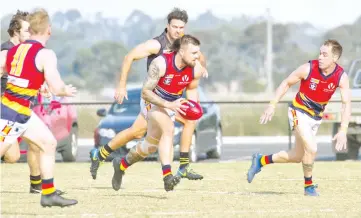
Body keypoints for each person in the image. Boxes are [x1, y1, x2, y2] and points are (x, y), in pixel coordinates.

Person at [90, 8, 207, 181]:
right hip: (153, 98)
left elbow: (198, 62)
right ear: (167, 26)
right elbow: (129, 57)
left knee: (189, 120)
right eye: (175, 27)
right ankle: (100, 155)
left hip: (172, 100)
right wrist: (121, 85)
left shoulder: (185, 46)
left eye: (181, 27)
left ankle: (183, 166)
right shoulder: (157, 45)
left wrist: (201, 71)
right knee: (137, 133)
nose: (178, 31)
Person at [246, 39, 351, 196]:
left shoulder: (341, 77)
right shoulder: (308, 68)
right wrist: (272, 104)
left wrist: (343, 130)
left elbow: (346, 104)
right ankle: (308, 187)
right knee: (312, 148)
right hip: (298, 111)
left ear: (334, 59)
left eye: (324, 54)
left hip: (315, 117)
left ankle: (260, 160)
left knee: (296, 156)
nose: (320, 57)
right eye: (320, 53)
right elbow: (286, 83)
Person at [0, 8, 77, 207]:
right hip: (11, 114)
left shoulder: (14, 50)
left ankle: (48, 193)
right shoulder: (46, 54)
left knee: (49, 143)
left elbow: (8, 70)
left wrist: (37, 84)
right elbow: (56, 86)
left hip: (22, 112)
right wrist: (63, 90)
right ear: (48, 30)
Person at [112, 34, 204, 191]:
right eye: (194, 53)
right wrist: (168, 104)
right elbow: (145, 92)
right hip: (152, 101)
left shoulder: (196, 69)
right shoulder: (160, 64)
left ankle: (121, 165)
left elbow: (192, 91)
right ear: (181, 52)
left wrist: (193, 107)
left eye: (198, 52)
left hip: (171, 104)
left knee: (150, 147)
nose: (198, 56)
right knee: (168, 128)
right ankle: (167, 176)